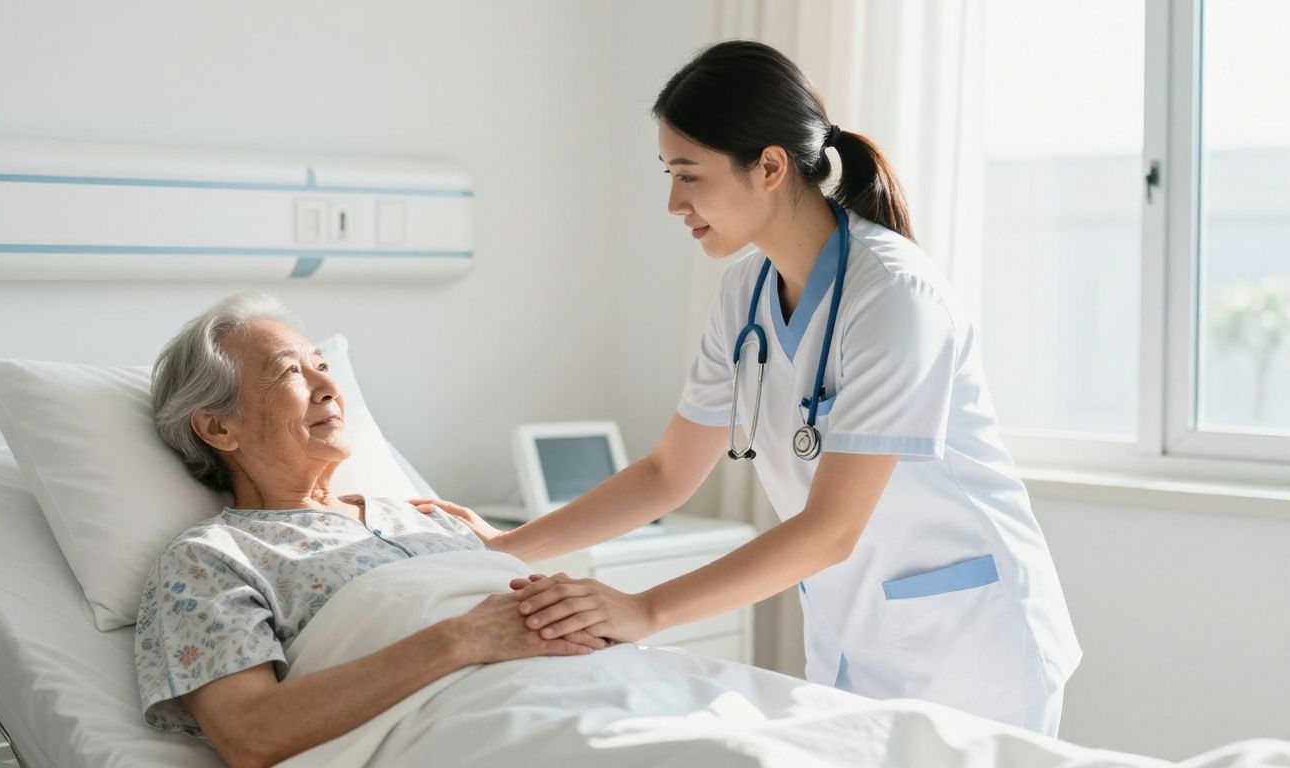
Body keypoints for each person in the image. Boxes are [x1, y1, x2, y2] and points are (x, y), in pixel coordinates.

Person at [413, 40, 1082, 736]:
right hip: (858, 640)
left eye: (689, 174)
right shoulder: (745, 292)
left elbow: (831, 530)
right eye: (669, 174)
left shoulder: (894, 297)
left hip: (972, 651)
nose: (673, 202)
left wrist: (643, 611)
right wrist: (498, 550)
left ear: (769, 166)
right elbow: (668, 473)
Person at [134, 293, 606, 768]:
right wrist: (463, 638)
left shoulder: (429, 517)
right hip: (498, 731)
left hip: (604, 689)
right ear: (218, 428)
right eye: (291, 372)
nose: (327, 388)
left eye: (322, 365)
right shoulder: (211, 559)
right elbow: (251, 733)